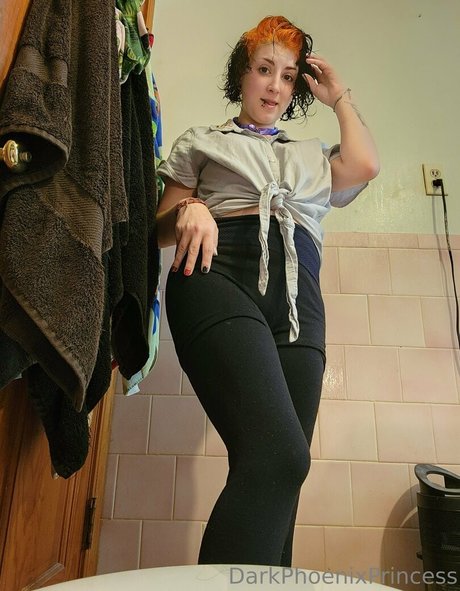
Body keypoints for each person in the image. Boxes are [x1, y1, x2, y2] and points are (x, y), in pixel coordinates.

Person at [156, 15, 379, 567]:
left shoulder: (313, 156)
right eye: (264, 69)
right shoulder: (203, 141)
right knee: (279, 458)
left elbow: (366, 164)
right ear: (242, 74)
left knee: (282, 474)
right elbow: (155, 229)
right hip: (219, 276)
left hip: (299, 305)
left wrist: (339, 96)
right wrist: (189, 208)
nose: (275, 86)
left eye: (287, 75)